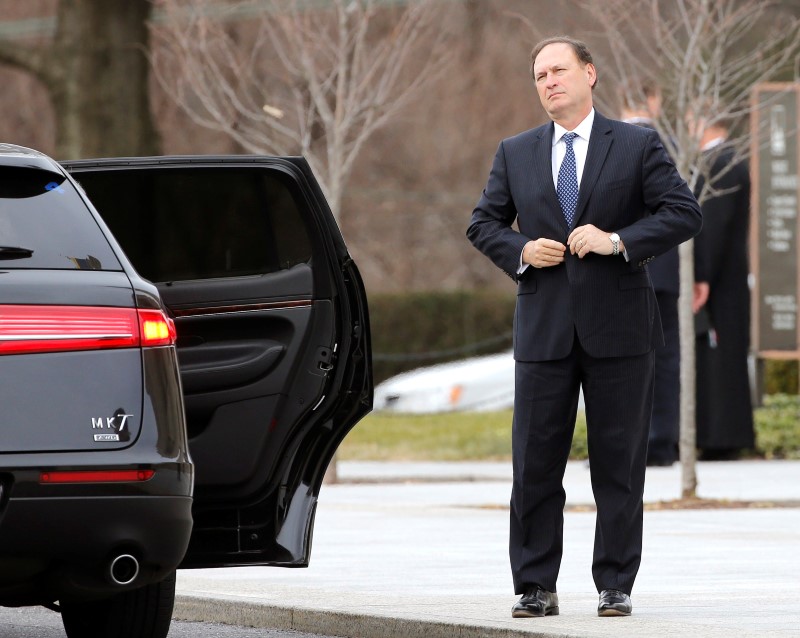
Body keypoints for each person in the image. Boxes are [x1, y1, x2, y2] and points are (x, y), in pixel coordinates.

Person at [466, 36, 702, 618]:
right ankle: (534, 586)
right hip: (544, 329)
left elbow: (683, 211)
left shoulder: (637, 144)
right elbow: (483, 224)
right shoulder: (515, 151)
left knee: (618, 465)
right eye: (539, 74)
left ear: (590, 73)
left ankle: (615, 583)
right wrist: (522, 250)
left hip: (621, 328)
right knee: (535, 463)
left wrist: (617, 240)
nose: (549, 82)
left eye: (559, 70)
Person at [619, 86, 709, 466]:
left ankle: (620, 445)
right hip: (668, 271)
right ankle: (660, 442)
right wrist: (698, 274)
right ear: (654, 102)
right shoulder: (677, 148)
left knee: (615, 361)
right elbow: (693, 212)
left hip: (618, 269)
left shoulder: (600, 146)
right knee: (666, 358)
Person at [691, 118, 755, 458]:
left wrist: (701, 277)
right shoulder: (727, 161)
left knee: (719, 361)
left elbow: (712, 228)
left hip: (721, 285)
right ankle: (722, 438)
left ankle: (721, 439)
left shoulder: (720, 164)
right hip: (728, 281)